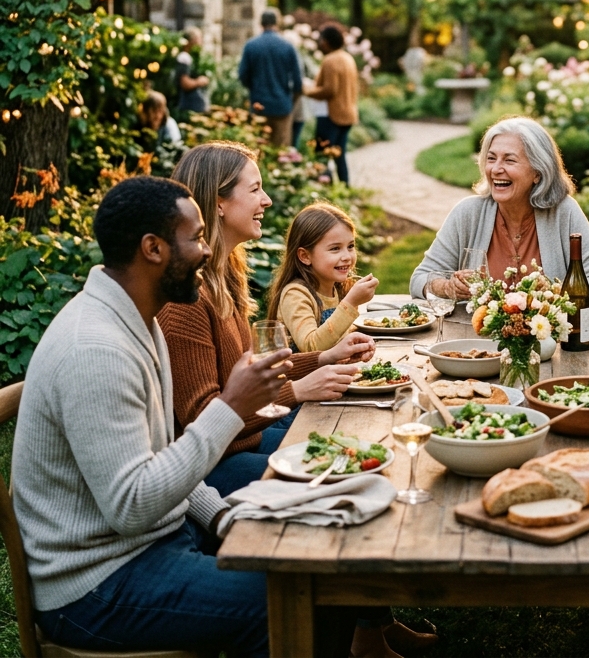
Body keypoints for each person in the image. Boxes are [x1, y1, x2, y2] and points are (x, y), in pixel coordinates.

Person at [14, 176, 295, 656]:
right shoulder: (96, 350)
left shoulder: (139, 319)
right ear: (153, 248)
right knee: (280, 597)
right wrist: (229, 408)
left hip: (154, 543)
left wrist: (223, 516)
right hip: (96, 585)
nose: (207, 251)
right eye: (197, 237)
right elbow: (132, 506)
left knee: (304, 554)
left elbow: (161, 451)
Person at [160, 142, 375, 497]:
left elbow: (255, 372)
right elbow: (203, 420)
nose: (267, 200)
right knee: (342, 478)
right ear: (219, 203)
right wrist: (299, 390)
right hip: (212, 468)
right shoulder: (186, 301)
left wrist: (324, 358)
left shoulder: (225, 275)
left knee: (355, 447)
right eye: (255, 189)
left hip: (246, 439)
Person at [410, 116, 589, 300]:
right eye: (491, 159)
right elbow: (419, 279)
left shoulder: (563, 212)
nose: (496, 169)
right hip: (475, 338)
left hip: (547, 339)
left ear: (537, 172)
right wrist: (447, 288)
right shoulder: (468, 213)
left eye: (509, 160)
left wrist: (554, 294)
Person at [267, 202, 380, 352]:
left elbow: (336, 340)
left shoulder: (338, 288)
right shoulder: (295, 294)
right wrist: (350, 303)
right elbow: (311, 347)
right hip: (300, 375)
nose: (347, 256)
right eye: (335, 249)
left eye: (350, 246)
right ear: (305, 256)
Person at [238, 8, 303, 147]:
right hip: (282, 105)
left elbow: (243, 75)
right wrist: (291, 100)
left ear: (261, 23)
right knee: (280, 151)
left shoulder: (251, 45)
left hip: (258, 104)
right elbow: (298, 81)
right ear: (277, 22)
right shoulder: (288, 46)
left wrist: (254, 88)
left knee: (259, 149)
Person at [304, 22, 359, 182]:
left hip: (331, 115)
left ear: (325, 41)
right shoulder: (348, 58)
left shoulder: (330, 60)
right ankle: (344, 190)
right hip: (348, 114)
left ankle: (322, 194)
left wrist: (307, 90)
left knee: (321, 156)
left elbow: (329, 90)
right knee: (339, 156)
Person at [175, 27, 211, 115]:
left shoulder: (195, 58)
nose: (200, 42)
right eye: (199, 39)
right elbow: (184, 83)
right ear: (191, 41)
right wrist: (199, 81)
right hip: (189, 106)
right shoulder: (184, 57)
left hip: (196, 106)